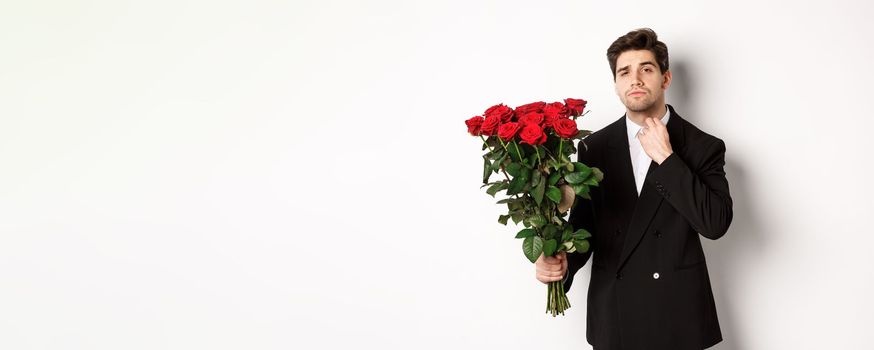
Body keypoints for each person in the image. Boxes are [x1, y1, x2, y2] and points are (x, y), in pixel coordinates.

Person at [535, 28, 733, 350]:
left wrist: (668, 160)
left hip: (676, 316)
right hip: (615, 314)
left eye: (646, 69)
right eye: (624, 72)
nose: (635, 79)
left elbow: (715, 223)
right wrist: (561, 263)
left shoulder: (702, 146)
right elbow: (584, 229)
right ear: (616, 85)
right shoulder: (593, 148)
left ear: (665, 79)